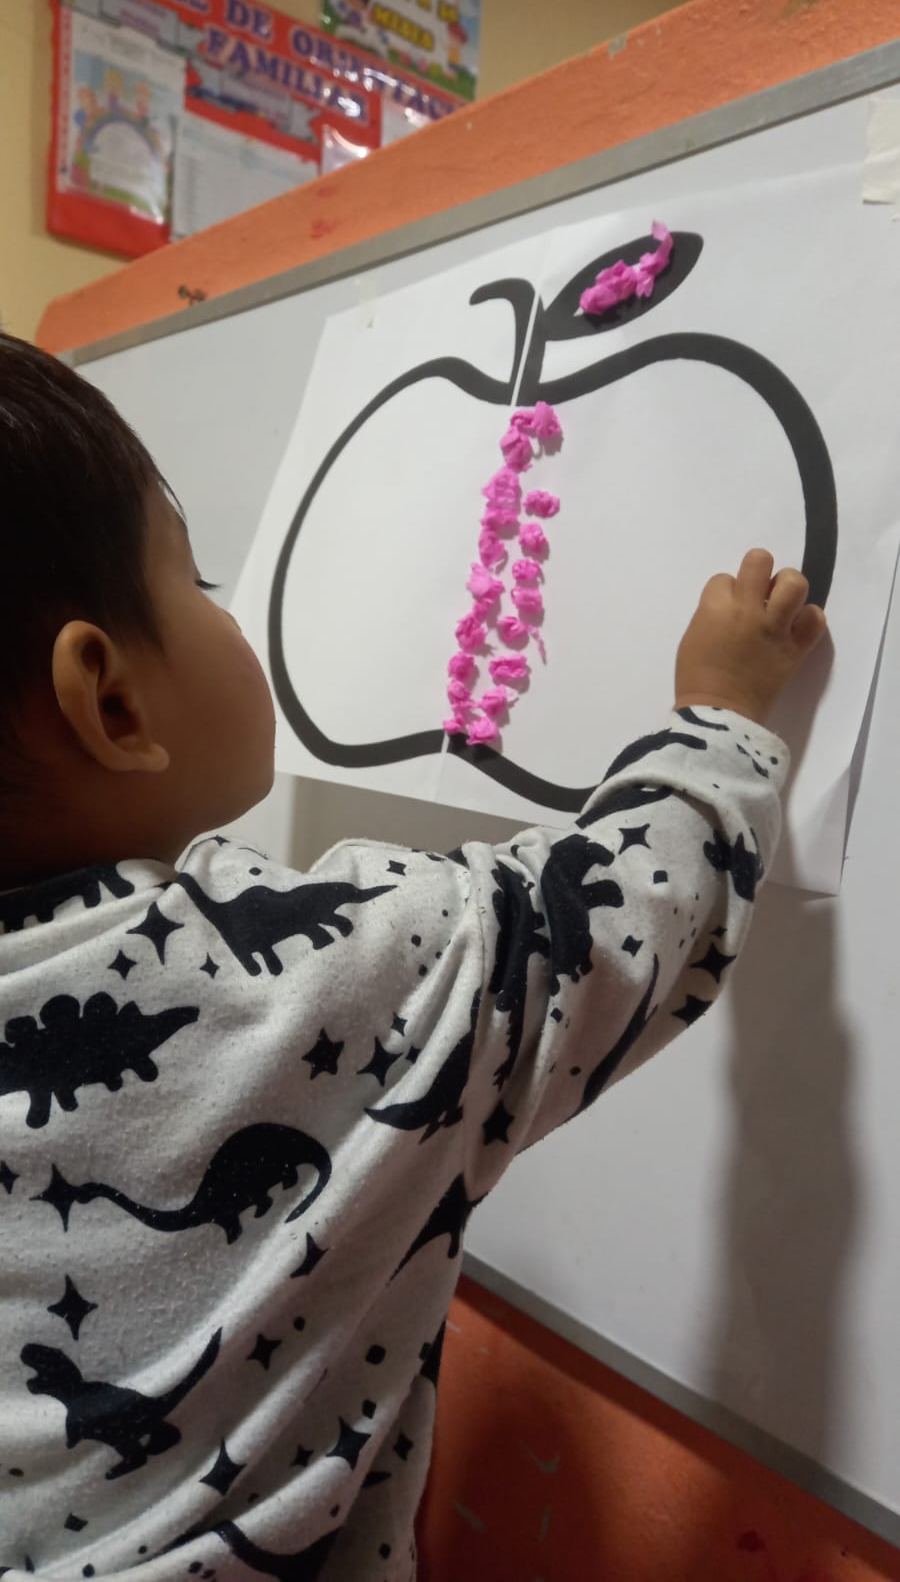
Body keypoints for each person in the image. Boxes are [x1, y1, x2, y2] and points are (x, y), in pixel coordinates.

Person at [0, 333, 826, 1579]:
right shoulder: (306, 989)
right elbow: (628, 913)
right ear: (111, 704)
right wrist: (723, 713)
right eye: (200, 579)